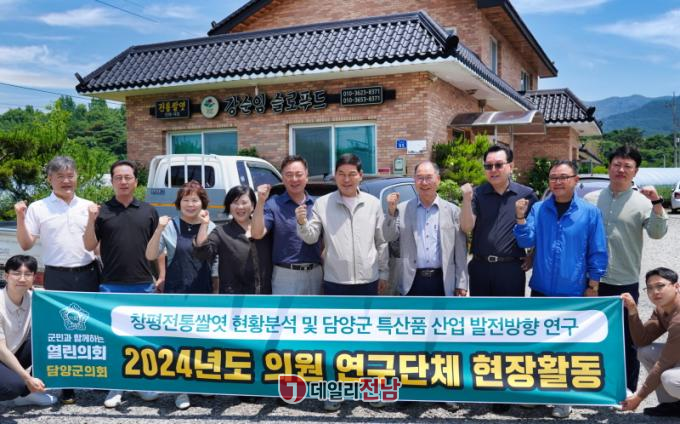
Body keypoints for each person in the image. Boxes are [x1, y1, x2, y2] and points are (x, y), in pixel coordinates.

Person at [514, 160, 608, 419]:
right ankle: (537, 393)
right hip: (542, 288)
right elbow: (526, 240)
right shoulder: (539, 208)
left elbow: (598, 250)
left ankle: (563, 397)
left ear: (576, 180)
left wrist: (593, 284)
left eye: (563, 177)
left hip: (572, 290)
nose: (557, 182)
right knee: (539, 342)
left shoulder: (590, 213)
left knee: (567, 346)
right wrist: (520, 217)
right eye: (553, 177)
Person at [296, 153, 388, 412]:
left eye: (351, 174)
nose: (346, 179)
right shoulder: (323, 203)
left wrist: (383, 273)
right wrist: (302, 222)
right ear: (335, 176)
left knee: (369, 339)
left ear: (360, 176)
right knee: (336, 340)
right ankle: (335, 392)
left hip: (368, 281)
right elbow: (311, 237)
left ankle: (371, 389)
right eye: (341, 174)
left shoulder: (372, 204)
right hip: (336, 282)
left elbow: (381, 241)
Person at [14, 156, 99, 404]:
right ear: (50, 179)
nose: (66, 180)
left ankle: (97, 378)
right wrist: (20, 216)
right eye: (60, 176)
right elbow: (26, 244)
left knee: (92, 327)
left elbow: (98, 246)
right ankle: (68, 386)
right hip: (57, 275)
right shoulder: (38, 208)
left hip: (88, 273)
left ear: (77, 177)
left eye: (70, 175)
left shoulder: (89, 206)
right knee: (61, 330)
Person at [585, 146, 668, 394]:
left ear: (635, 171)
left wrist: (657, 204)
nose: (621, 170)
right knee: (590, 334)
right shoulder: (590, 199)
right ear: (609, 167)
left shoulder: (643, 202)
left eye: (627, 166)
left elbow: (657, 233)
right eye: (616, 164)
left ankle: (627, 388)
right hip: (591, 280)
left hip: (624, 280)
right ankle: (591, 385)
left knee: (627, 338)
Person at [83, 159, 160, 408]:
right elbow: (89, 245)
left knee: (141, 337)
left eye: (128, 177)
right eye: (118, 177)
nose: (123, 182)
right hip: (111, 284)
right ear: (113, 181)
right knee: (113, 337)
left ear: (136, 181)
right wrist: (91, 219)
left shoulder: (149, 211)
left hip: (143, 283)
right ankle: (116, 385)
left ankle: (141, 384)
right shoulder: (102, 211)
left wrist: (161, 275)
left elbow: (157, 247)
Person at [145, 180, 215, 410]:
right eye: (186, 200)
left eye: (195, 200)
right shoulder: (170, 226)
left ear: (203, 203)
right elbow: (151, 254)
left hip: (203, 291)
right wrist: (158, 229)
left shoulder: (211, 226)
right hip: (176, 292)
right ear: (179, 203)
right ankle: (180, 389)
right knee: (178, 342)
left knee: (202, 341)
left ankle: (201, 383)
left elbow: (212, 260)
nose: (190, 204)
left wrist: (216, 290)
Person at [383, 161, 468, 297]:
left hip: (443, 280)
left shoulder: (453, 211)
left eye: (428, 177)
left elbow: (460, 250)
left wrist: (461, 283)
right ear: (414, 180)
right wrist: (391, 213)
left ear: (438, 180)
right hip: (411, 281)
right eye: (420, 178)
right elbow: (388, 237)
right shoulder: (402, 209)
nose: (424, 182)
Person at [251, 155, 323, 295]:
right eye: (289, 175)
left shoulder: (318, 204)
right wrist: (260, 202)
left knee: (315, 310)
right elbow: (257, 233)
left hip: (316, 272)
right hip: (286, 274)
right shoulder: (273, 204)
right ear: (282, 178)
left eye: (299, 174)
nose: (294, 179)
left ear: (307, 177)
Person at [621, 267, 680, 417]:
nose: (655, 292)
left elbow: (664, 363)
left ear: (676, 286)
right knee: (645, 352)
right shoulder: (662, 309)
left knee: (670, 379)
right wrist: (632, 311)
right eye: (650, 288)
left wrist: (638, 397)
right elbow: (641, 340)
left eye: (660, 286)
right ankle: (673, 405)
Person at [0, 255, 57, 407]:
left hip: (12, 352)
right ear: (6, 276)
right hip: (2, 352)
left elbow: (61, 307)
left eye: (28, 274)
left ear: (34, 278)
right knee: (13, 386)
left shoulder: (35, 299)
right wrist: (27, 378)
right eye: (16, 273)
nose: (22, 279)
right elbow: (1, 350)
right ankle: (16, 390)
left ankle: (25, 395)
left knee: (50, 342)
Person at [194, 185, 272, 295]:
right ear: (229, 207)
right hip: (233, 298)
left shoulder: (265, 229)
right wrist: (204, 224)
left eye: (244, 202)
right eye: (235, 203)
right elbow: (203, 253)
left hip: (266, 297)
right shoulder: (221, 232)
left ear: (253, 206)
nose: (240, 207)